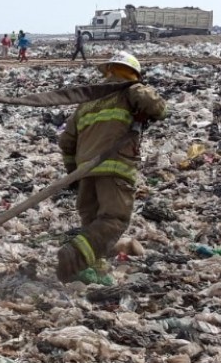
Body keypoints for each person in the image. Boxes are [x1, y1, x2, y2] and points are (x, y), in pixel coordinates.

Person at [55, 52, 166, 283]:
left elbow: (66, 142)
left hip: (85, 171)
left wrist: (72, 174)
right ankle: (73, 254)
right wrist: (138, 90)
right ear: (132, 74)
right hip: (114, 168)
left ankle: (93, 270)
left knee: (93, 223)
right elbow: (158, 108)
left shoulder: (87, 102)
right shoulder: (129, 90)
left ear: (108, 71)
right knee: (113, 219)